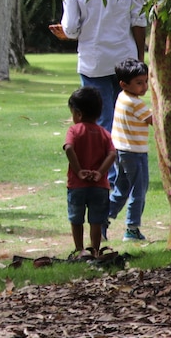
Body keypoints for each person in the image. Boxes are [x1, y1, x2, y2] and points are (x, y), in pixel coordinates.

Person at [49, 0, 148, 134]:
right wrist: (139, 57)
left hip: (94, 63)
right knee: (126, 121)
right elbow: (138, 18)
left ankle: (106, 166)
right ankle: (124, 165)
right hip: (125, 58)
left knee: (101, 121)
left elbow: (71, 27)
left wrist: (65, 34)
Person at [63, 87, 117, 259]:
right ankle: (94, 250)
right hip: (99, 186)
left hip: (77, 185)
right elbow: (112, 154)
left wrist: (78, 171)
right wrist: (100, 172)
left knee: (76, 219)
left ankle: (80, 250)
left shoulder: (74, 130)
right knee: (96, 220)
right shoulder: (104, 134)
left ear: (77, 114)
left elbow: (69, 148)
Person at [106, 58, 153, 242]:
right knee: (138, 190)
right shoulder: (136, 103)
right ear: (123, 84)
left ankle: (102, 219)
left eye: (145, 82)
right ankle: (132, 229)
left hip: (121, 150)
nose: (144, 87)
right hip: (134, 152)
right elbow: (153, 120)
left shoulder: (122, 97)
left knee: (122, 188)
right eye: (139, 83)